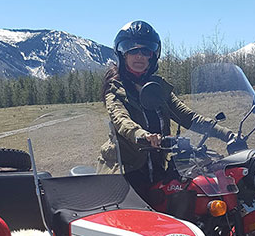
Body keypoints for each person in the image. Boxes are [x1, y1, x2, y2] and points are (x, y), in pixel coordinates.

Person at [97, 20, 236, 201]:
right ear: (123, 54)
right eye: (133, 49)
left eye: (145, 51)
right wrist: (142, 134)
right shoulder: (115, 88)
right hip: (124, 173)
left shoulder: (158, 88)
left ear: (152, 56)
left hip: (157, 170)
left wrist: (228, 135)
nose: (139, 56)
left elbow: (188, 117)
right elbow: (120, 119)